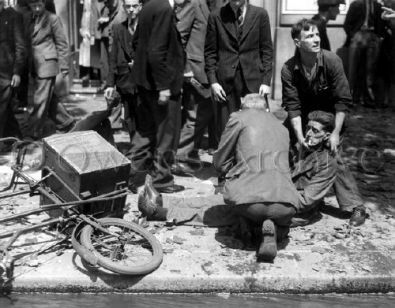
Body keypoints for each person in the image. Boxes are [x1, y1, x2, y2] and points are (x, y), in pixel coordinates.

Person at [139, 94, 300, 262]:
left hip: (252, 201)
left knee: (222, 208)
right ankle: (270, 228)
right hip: (287, 204)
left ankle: (161, 212)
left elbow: (219, 162)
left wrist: (230, 172)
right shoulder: (282, 127)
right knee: (228, 201)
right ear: (265, 108)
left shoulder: (239, 117)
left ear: (243, 106)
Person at [281, 18, 366, 226]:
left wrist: (335, 133)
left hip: (330, 117)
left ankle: (356, 207)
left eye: (317, 34)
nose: (316, 39)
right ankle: (302, 199)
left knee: (331, 154)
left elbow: (343, 101)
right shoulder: (288, 69)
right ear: (297, 42)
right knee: (291, 149)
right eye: (309, 36)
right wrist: (300, 137)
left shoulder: (332, 61)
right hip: (304, 117)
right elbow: (293, 107)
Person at [127, 0, 186, 193]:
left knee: (145, 133)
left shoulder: (150, 6)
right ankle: (161, 180)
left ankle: (129, 176)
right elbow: (156, 51)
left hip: (145, 83)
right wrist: (163, 87)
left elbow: (136, 42)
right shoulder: (163, 8)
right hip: (161, 86)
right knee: (166, 135)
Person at [204, 0, 273, 140]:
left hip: (254, 82)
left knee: (255, 129)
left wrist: (266, 81)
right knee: (226, 131)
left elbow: (266, 50)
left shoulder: (260, 14)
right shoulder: (216, 16)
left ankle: (250, 161)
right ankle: (227, 161)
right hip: (225, 84)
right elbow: (210, 52)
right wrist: (213, 82)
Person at [171, 0, 216, 175]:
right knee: (196, 114)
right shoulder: (194, 4)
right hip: (194, 70)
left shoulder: (218, 6)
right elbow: (178, 36)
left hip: (208, 70)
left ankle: (189, 156)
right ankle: (181, 158)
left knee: (201, 114)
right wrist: (185, 68)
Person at [26, 0, 75, 139]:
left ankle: (33, 133)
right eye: (33, 5)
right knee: (50, 99)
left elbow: (62, 43)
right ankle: (67, 123)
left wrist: (65, 67)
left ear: (43, 3)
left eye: (39, 5)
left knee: (40, 99)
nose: (36, 8)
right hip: (35, 65)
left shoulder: (52, 19)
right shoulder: (29, 19)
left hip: (47, 65)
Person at [104, 0, 142, 139]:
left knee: (143, 118)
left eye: (134, 6)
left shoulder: (148, 28)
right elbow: (113, 57)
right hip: (125, 80)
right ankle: (136, 149)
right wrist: (110, 84)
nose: (131, 9)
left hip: (143, 81)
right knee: (129, 119)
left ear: (140, 7)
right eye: (128, 6)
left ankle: (144, 152)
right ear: (124, 8)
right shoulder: (119, 28)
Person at [343, 0, 390, 106]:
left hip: (373, 36)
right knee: (353, 69)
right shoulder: (356, 4)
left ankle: (368, 98)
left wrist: (380, 37)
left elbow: (383, 23)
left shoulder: (378, 6)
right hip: (358, 35)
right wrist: (353, 36)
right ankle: (350, 98)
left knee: (370, 70)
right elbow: (347, 24)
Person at [0, 0, 25, 138]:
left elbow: (20, 47)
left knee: (2, 109)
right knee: (6, 110)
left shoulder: (13, 16)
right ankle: (17, 138)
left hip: (6, 73)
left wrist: (17, 72)